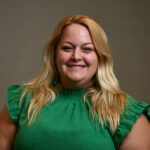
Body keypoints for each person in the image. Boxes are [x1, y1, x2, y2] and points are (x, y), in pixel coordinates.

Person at [0, 14, 150, 150]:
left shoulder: (126, 113)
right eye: (67, 48)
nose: (76, 56)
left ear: (100, 56)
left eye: (87, 49)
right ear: (54, 54)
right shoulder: (22, 101)